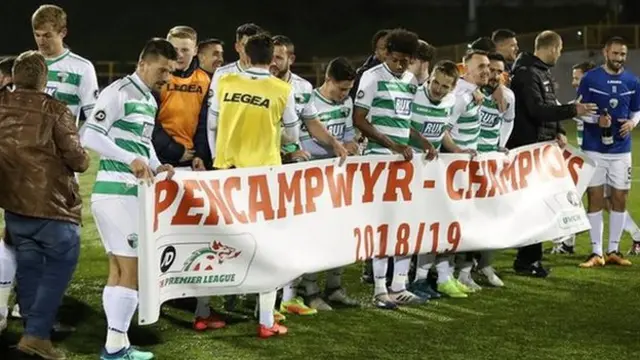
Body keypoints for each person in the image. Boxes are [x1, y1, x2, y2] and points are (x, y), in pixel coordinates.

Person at [80, 38, 177, 359]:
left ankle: (116, 344)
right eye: (162, 69)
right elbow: (90, 135)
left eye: (171, 71)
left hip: (128, 194)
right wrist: (128, 159)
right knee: (131, 272)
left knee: (119, 271)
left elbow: (143, 143)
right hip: (116, 194)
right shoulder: (118, 91)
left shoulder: (148, 99)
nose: (166, 77)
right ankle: (116, 347)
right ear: (143, 64)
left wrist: (154, 163)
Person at [0, 50, 90, 360]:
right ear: (44, 79)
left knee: (28, 267)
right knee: (58, 267)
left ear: (14, 77)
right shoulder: (55, 109)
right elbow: (79, 161)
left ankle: (32, 328)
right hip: (52, 206)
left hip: (14, 205)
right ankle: (36, 335)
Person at [208, 33, 299, 338]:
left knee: (217, 246)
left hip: (225, 175)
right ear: (272, 58)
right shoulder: (282, 89)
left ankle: (202, 312)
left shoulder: (225, 82)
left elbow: (212, 125)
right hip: (263, 179)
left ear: (244, 55)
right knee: (266, 249)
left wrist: (218, 159)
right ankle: (265, 321)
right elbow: (292, 136)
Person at [507, 30, 597, 277]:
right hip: (529, 147)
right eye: (559, 49)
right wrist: (572, 111)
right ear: (549, 48)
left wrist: (557, 129)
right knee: (532, 206)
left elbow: (549, 104)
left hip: (542, 147)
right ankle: (526, 261)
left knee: (538, 205)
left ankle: (529, 258)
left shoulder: (539, 71)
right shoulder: (527, 74)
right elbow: (536, 110)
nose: (560, 54)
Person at [269, 34, 348, 317]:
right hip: (265, 167)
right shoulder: (257, 81)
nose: (273, 62)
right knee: (267, 236)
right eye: (270, 56)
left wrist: (335, 143)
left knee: (297, 234)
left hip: (295, 172)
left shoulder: (302, 87)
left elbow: (312, 123)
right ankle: (258, 300)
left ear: (291, 58)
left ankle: (289, 297)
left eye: (278, 57)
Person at [152, 26, 224, 331]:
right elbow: (150, 123)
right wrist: (174, 151)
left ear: (195, 51)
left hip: (190, 167)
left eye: (185, 49)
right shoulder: (158, 78)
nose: (179, 55)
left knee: (191, 235)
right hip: (161, 163)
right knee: (158, 234)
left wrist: (198, 155)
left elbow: (205, 123)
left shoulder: (205, 81)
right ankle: (155, 294)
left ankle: (185, 295)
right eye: (175, 48)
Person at [353, 28, 426, 309]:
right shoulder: (372, 77)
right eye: (396, 60)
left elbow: (404, 121)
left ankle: (400, 285)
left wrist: (424, 143)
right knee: (383, 224)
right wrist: (391, 145)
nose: (400, 66)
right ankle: (380, 289)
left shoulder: (410, 80)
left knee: (405, 222)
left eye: (405, 61)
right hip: (379, 160)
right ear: (387, 54)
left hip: (403, 162)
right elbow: (359, 119)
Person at [297, 57, 361, 310]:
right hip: (313, 178)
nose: (345, 94)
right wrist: (333, 148)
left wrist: (351, 144)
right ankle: (309, 289)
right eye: (341, 88)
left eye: (348, 89)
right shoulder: (309, 102)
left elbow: (347, 135)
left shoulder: (346, 102)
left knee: (342, 232)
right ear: (327, 79)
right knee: (315, 234)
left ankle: (334, 287)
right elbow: (304, 142)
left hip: (338, 178)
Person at [576, 36, 640, 268]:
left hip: (622, 150)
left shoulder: (632, 81)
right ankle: (596, 252)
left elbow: (637, 111)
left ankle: (613, 250)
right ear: (605, 53)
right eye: (615, 54)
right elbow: (579, 110)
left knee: (620, 198)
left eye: (622, 54)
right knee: (594, 197)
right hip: (594, 149)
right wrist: (596, 120)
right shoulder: (590, 79)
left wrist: (632, 124)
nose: (619, 58)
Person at [406, 60, 463, 299]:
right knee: (410, 227)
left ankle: (422, 278)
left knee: (431, 226)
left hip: (431, 172)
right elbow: (403, 126)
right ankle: (400, 279)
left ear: (452, 88)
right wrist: (423, 143)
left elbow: (442, 135)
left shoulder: (450, 102)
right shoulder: (413, 96)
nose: (438, 89)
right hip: (407, 171)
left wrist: (458, 151)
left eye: (445, 86)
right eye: (435, 83)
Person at [448, 50, 490, 293]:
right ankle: (447, 274)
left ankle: (461, 273)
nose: (486, 70)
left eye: (488, 66)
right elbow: (445, 130)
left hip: (469, 168)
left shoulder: (475, 93)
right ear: (465, 70)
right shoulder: (461, 96)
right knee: (455, 223)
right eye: (480, 66)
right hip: (455, 170)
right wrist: (457, 152)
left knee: (469, 223)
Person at [473, 52, 515, 288]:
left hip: (490, 162)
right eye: (492, 70)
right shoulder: (470, 92)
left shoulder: (507, 95)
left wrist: (500, 145)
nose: (495, 75)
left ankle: (485, 266)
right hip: (465, 161)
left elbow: (508, 120)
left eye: (500, 72)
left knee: (493, 215)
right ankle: (458, 270)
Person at [32, 4, 99, 126]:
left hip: (61, 144)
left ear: (63, 33)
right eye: (37, 35)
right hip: (27, 143)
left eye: (47, 35)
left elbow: (93, 117)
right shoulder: (27, 64)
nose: (41, 41)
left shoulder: (82, 68)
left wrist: (78, 142)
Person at [350, 29, 390, 101]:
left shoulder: (406, 73)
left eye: (390, 48)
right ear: (376, 51)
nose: (387, 52)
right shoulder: (363, 75)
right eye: (383, 48)